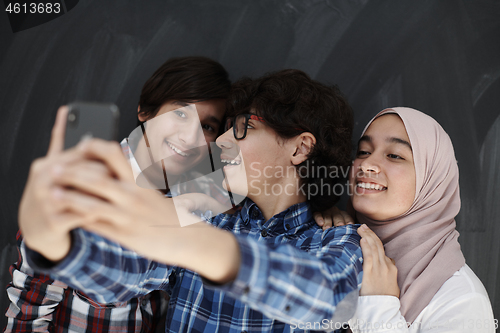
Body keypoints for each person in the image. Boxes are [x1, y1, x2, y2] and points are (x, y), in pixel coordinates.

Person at [19, 69, 363, 332]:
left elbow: (329, 298)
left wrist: (193, 241)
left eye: (244, 128)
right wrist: (56, 244)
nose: (222, 141)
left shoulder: (340, 240)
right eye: (225, 128)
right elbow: (129, 272)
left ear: (300, 147)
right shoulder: (210, 217)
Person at [5, 56, 231, 332]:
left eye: (207, 126)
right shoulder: (82, 183)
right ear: (145, 112)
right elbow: (28, 313)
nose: (190, 137)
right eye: (181, 114)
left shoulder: (197, 204)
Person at [321, 107, 495, 332]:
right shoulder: (331, 247)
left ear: (432, 179)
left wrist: (379, 304)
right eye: (363, 151)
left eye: (394, 155)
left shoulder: (462, 300)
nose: (366, 164)